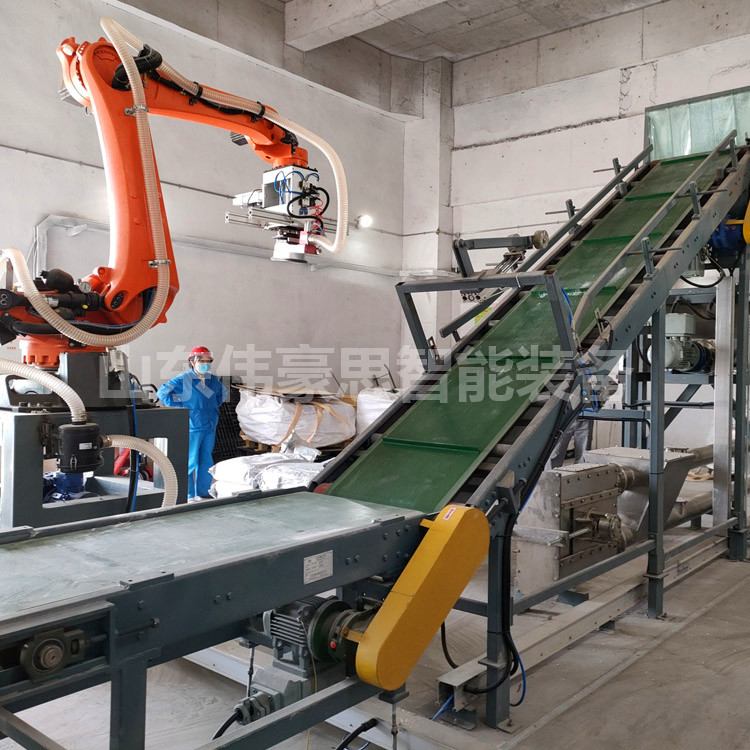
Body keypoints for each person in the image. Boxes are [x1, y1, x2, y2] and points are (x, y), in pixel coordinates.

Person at [157, 346, 227, 500]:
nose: (205, 364)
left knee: (206, 461)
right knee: (190, 461)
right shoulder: (183, 379)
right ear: (192, 361)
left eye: (208, 361)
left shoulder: (212, 380)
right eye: (202, 360)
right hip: (193, 426)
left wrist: (212, 406)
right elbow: (162, 393)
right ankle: (188, 495)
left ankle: (204, 493)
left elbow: (222, 394)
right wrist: (181, 405)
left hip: (209, 425)